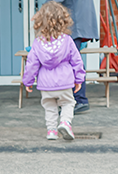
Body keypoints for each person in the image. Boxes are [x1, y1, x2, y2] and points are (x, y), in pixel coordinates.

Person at [22, 1, 85, 140]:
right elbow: (77, 61)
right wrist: (79, 79)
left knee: (49, 107)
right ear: (64, 20)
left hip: (46, 83)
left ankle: (51, 132)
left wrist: (28, 81)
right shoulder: (67, 40)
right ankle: (65, 122)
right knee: (68, 103)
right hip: (64, 81)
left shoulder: (38, 43)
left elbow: (31, 64)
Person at [44, 0, 99, 114]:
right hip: (79, 20)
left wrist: (44, 9)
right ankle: (75, 99)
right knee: (73, 59)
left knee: (72, 60)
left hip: (75, 22)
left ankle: (79, 100)